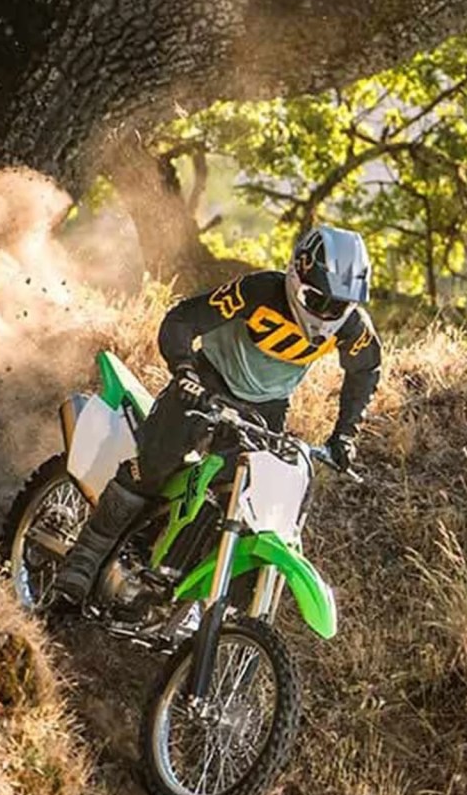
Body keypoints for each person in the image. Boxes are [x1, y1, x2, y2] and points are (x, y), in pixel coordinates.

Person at [46, 224, 382, 611]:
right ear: (295, 276)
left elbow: (365, 371)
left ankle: (188, 590)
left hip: (267, 408)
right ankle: (82, 562)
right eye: (315, 298)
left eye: (337, 306)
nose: (324, 313)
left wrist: (345, 436)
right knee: (153, 466)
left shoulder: (354, 329)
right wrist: (185, 371)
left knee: (245, 499)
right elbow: (183, 320)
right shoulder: (257, 291)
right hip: (207, 381)